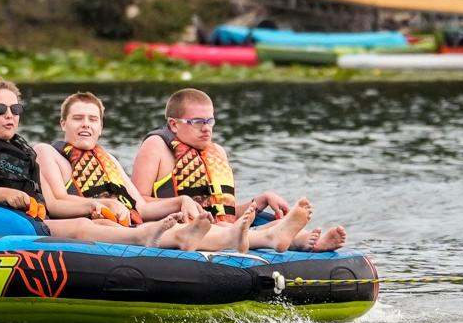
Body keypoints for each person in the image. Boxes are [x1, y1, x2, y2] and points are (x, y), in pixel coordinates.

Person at [34, 92, 312, 253]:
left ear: (101, 127)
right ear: (63, 123)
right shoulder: (49, 153)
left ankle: (287, 236)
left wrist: (180, 203)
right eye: (78, 119)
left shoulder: (109, 160)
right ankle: (261, 237)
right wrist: (99, 203)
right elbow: (56, 202)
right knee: (199, 228)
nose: (86, 125)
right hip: (96, 225)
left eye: (92, 119)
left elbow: (140, 206)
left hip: (129, 224)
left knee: (214, 224)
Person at [0, 68, 184, 249]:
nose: (10, 116)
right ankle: (141, 236)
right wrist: (6, 193)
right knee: (81, 226)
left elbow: (51, 204)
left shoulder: (24, 154)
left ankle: (165, 236)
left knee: (97, 224)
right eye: (1, 110)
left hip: (31, 222)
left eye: (15, 109)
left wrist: (95, 204)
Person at [131, 88, 346, 252]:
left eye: (210, 121)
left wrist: (258, 202)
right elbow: (137, 206)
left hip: (219, 229)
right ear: (174, 124)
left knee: (261, 224)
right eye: (197, 122)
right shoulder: (156, 147)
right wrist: (180, 202)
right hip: (177, 229)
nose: (206, 128)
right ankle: (288, 239)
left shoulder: (217, 152)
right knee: (232, 232)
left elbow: (223, 212)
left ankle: (303, 240)